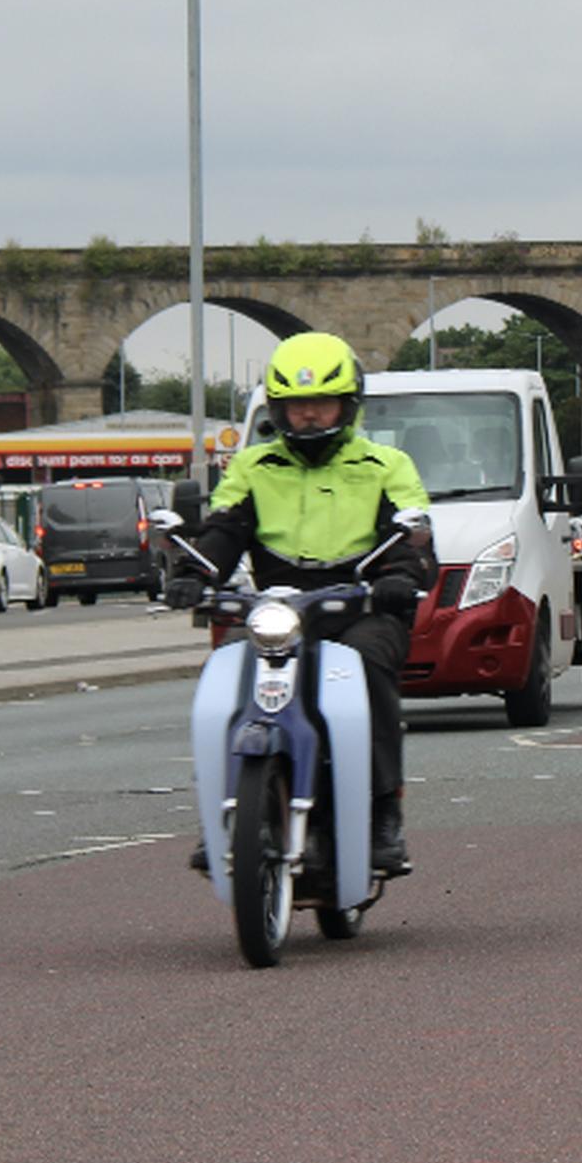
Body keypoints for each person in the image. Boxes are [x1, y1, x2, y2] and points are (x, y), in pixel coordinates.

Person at [166, 331, 434, 874]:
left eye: (320, 404)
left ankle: (384, 815)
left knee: (370, 667)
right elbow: (223, 529)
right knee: (227, 676)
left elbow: (412, 536)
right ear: (276, 410)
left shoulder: (388, 465)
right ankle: (225, 813)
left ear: (348, 404)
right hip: (279, 609)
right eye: (295, 406)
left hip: (359, 605)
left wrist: (400, 577)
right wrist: (191, 571)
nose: (308, 416)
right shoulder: (251, 468)